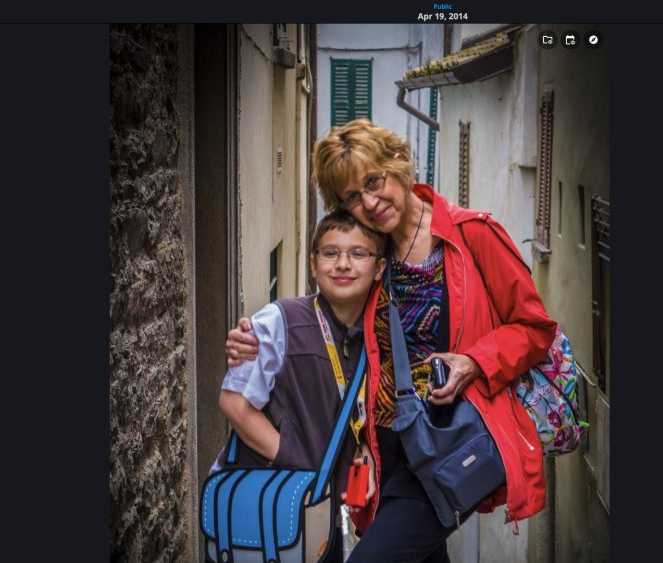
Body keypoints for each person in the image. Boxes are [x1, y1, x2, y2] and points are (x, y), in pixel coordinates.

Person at [227, 118, 556, 561]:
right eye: (351, 197)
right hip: (386, 452)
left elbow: (534, 327)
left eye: (374, 181)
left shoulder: (470, 234)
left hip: (447, 442)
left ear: (398, 165)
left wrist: (474, 361)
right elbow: (330, 310)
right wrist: (256, 338)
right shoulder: (371, 251)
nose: (370, 201)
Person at [209, 211, 384, 561]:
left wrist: (362, 451)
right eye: (331, 253)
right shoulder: (280, 320)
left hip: (324, 512)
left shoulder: (378, 338)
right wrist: (300, 462)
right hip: (265, 503)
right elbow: (234, 404)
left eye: (358, 253)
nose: (343, 264)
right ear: (313, 264)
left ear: (379, 268)